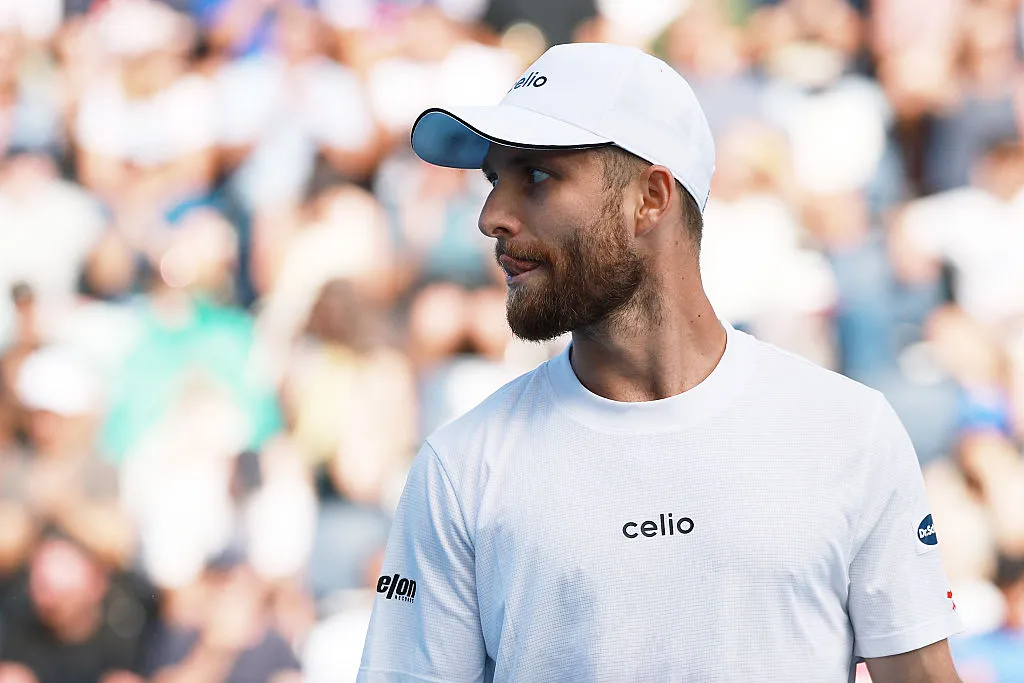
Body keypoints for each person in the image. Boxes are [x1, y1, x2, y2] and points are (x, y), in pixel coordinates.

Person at [357, 42, 964, 682]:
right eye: (493, 180)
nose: (490, 217)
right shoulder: (460, 469)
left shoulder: (848, 431)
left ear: (650, 198)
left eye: (536, 176)